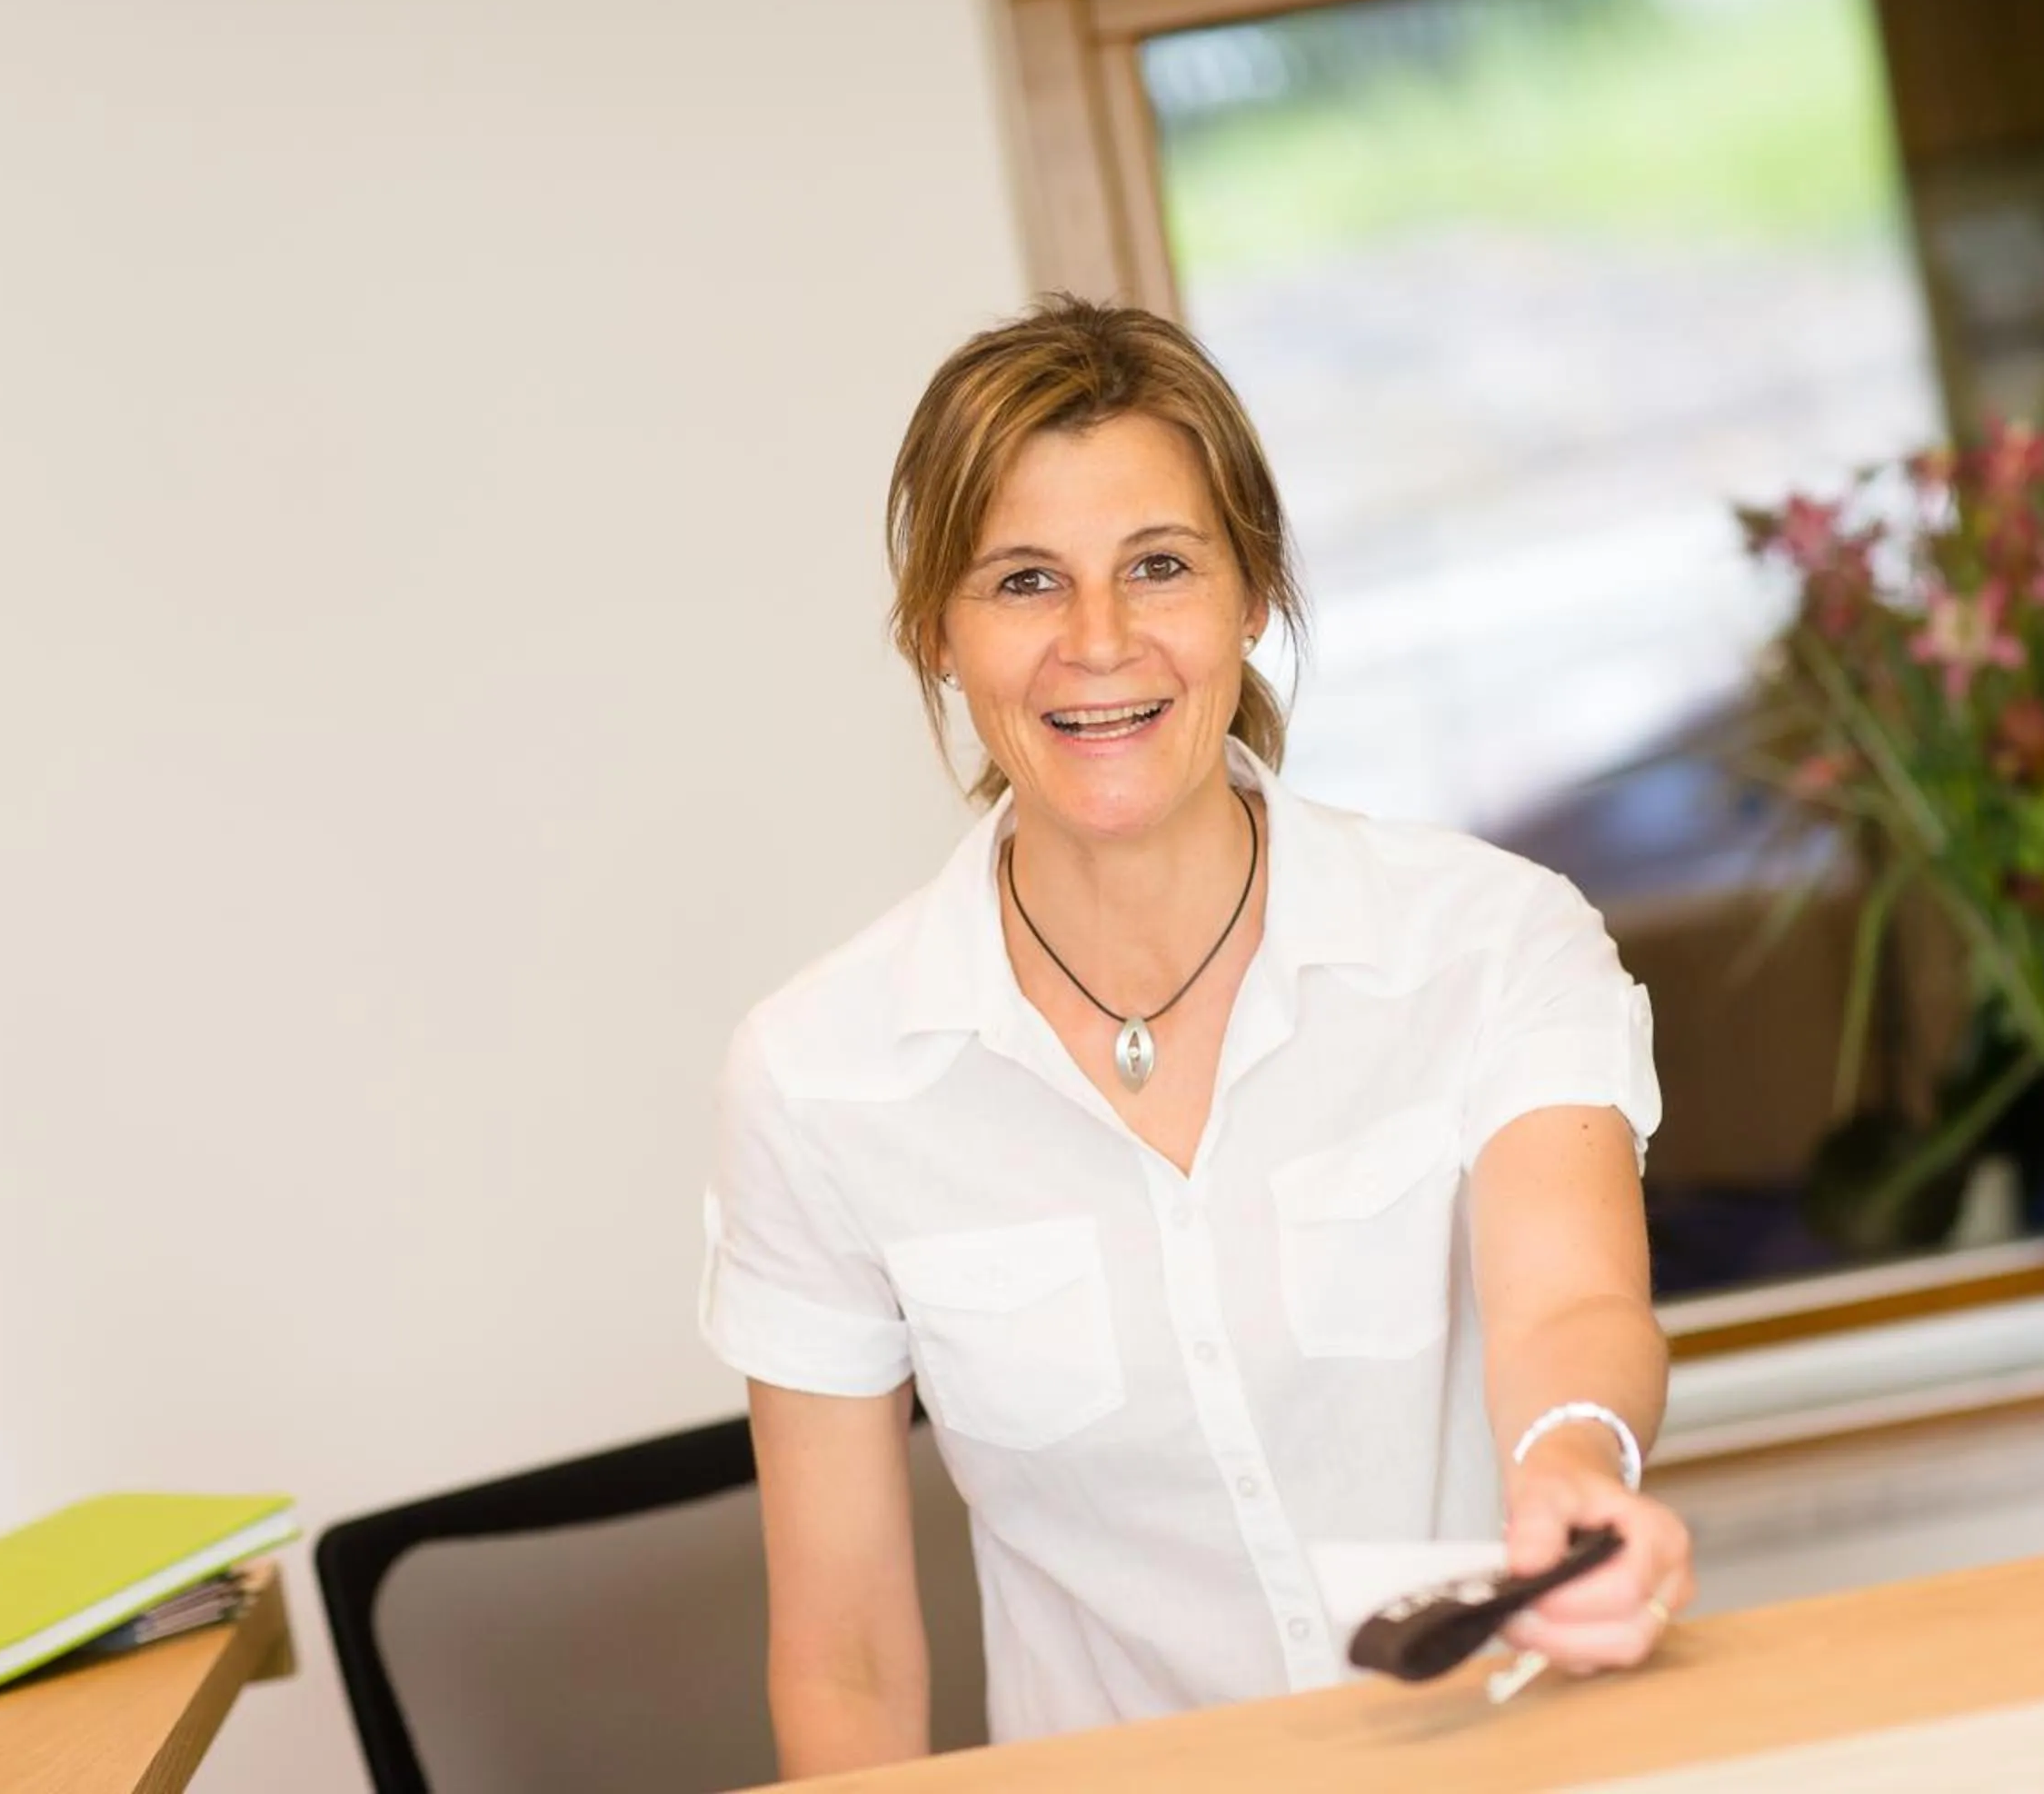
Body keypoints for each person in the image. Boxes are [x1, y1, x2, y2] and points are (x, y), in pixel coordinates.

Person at [702, 296, 1692, 1778]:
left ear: (1253, 596)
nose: (1099, 642)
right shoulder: (817, 1077)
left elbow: (1573, 1312)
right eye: (1026, 581)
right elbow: (847, 1664)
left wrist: (1574, 1463)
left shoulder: (1491, 942)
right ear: (936, 633)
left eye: (1159, 565)